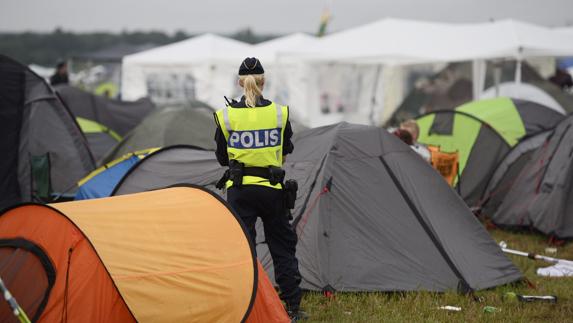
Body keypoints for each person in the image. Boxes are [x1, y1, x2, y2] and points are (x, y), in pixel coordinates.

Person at [214, 57, 305, 320]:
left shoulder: (226, 115)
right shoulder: (279, 113)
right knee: (282, 247)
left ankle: (246, 307)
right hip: (273, 188)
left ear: (240, 83)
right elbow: (286, 149)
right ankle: (292, 308)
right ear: (263, 82)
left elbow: (222, 157)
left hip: (240, 190)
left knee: (243, 249)